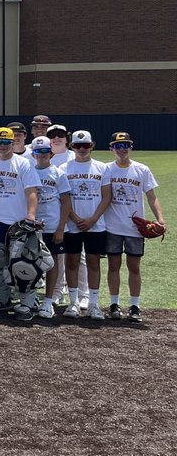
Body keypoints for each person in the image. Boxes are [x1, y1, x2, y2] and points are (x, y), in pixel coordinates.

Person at [101, 132, 164, 322]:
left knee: (134, 267)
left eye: (125, 145)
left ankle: (135, 306)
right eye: (117, 146)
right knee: (113, 266)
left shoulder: (142, 169)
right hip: (112, 227)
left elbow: (151, 196)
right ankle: (114, 304)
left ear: (131, 147)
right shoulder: (106, 169)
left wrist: (160, 219)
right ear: (111, 148)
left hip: (134, 228)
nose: (121, 149)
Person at [0, 127, 41, 313]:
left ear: (13, 143)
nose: (3, 146)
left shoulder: (23, 164)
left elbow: (31, 191)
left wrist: (31, 216)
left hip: (18, 221)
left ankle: (27, 301)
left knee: (23, 262)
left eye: (7, 142)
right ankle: (3, 298)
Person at [60, 130, 109, 319]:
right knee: (71, 262)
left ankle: (93, 304)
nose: (82, 149)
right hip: (72, 224)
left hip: (95, 224)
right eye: (78, 146)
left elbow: (107, 196)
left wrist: (93, 218)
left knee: (93, 262)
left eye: (86, 145)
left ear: (92, 146)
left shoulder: (101, 168)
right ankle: (72, 302)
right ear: (72, 147)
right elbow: (63, 196)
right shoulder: (65, 168)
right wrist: (73, 216)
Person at [26, 138, 72, 320]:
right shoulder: (29, 172)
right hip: (33, 226)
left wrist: (61, 228)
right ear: (33, 154)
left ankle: (48, 300)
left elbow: (66, 201)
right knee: (32, 263)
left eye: (45, 151)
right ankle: (31, 298)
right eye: (38, 152)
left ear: (51, 153)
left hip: (53, 225)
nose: (42, 155)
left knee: (52, 263)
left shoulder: (58, 173)